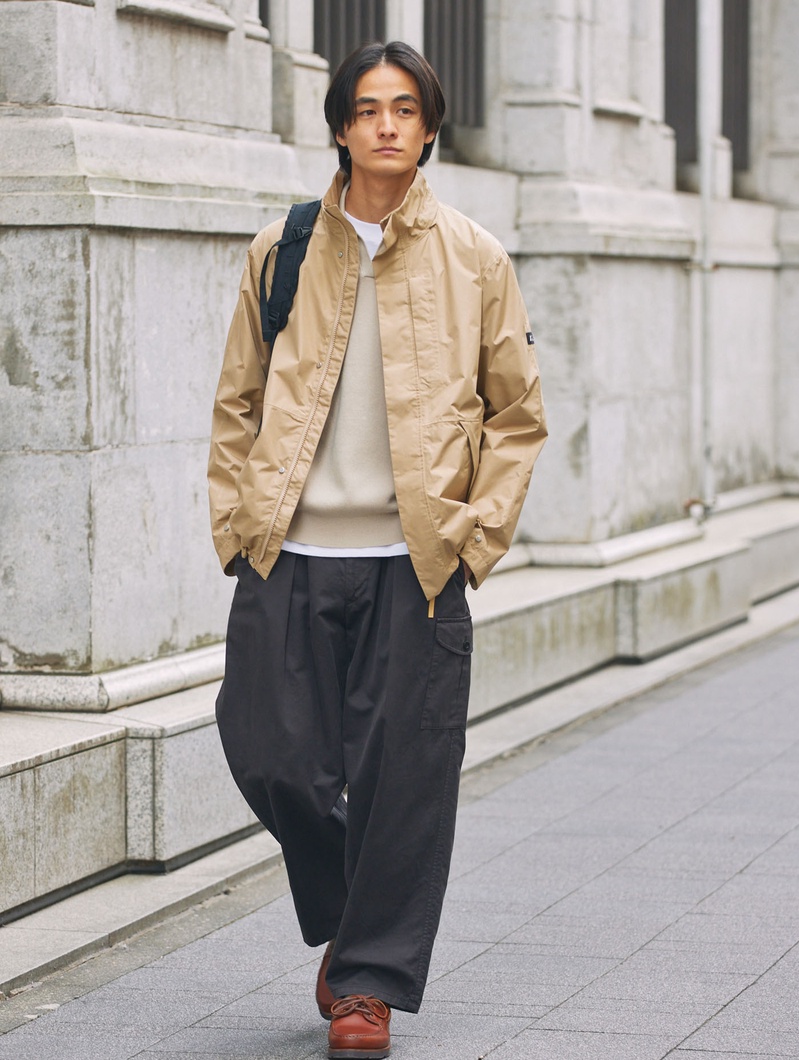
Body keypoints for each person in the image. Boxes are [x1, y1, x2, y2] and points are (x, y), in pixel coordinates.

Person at [208, 40, 547, 1060]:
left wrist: (474, 538)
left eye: (404, 108)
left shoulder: (475, 257)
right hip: (288, 553)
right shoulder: (281, 250)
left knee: (404, 781)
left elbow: (516, 416)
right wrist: (236, 526)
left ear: (428, 127)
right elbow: (236, 402)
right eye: (367, 109)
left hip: (416, 564)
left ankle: (364, 984)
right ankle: (355, 913)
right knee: (268, 754)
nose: (387, 124)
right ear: (341, 128)